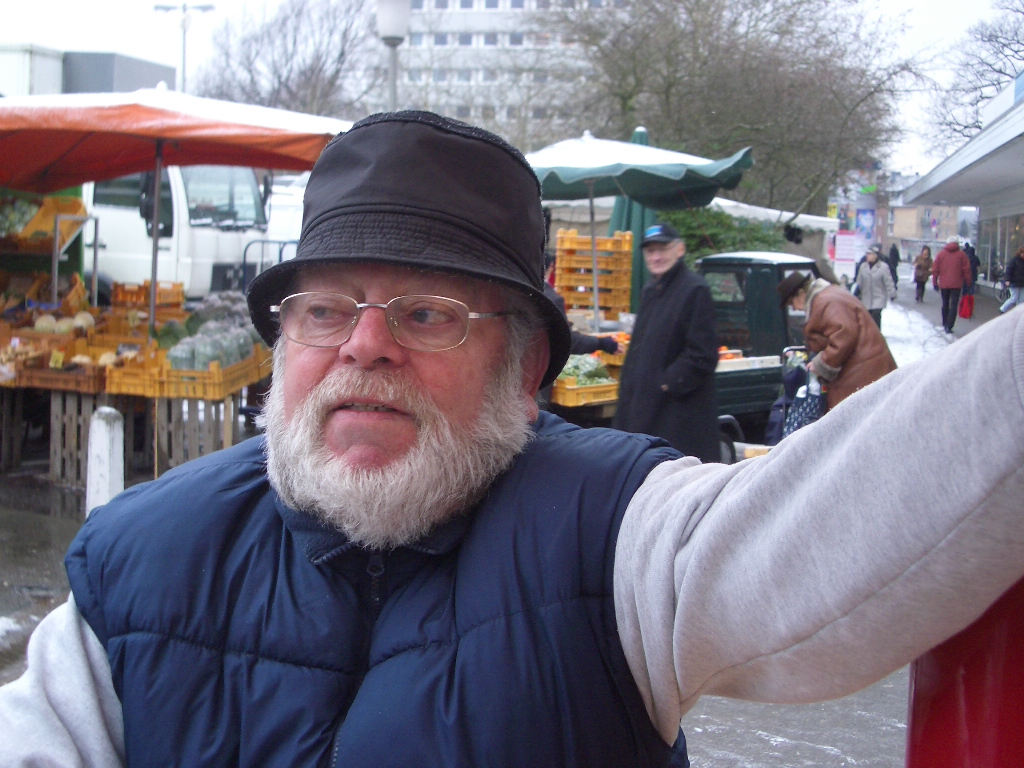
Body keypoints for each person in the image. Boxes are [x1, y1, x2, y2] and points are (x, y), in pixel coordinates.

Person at [2, 112, 1023, 768]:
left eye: (427, 314)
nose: (363, 345)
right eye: (325, 309)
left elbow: (852, 521)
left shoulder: (615, 536)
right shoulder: (137, 561)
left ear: (524, 367)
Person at [612, 223, 720, 463]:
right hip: (643, 409)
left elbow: (702, 354)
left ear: (680, 249)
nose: (656, 257)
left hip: (676, 416)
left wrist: (665, 383)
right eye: (650, 251)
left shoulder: (694, 290)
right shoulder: (651, 290)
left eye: (663, 249)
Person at [777, 271, 897, 410]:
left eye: (791, 303)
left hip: (862, 375)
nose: (794, 308)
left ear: (800, 293)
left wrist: (821, 364)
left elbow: (844, 334)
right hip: (865, 372)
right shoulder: (826, 297)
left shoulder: (826, 301)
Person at [931, 236, 973, 335]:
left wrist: (935, 282)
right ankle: (949, 326)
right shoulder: (962, 255)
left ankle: (945, 322)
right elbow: (966, 270)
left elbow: (935, 270)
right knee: (954, 305)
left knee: (945, 303)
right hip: (956, 284)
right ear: (957, 243)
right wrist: (968, 282)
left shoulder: (941, 254)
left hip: (944, 284)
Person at [854, 245, 896, 329]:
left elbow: (888, 281)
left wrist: (892, 293)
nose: (867, 256)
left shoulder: (883, 267)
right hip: (866, 297)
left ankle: (877, 334)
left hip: (879, 297)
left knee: (876, 316)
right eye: (867, 254)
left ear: (875, 255)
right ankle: (869, 335)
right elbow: (859, 282)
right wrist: (856, 293)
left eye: (869, 254)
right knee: (867, 319)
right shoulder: (863, 266)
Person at [1000, 246, 1024, 314]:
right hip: (1014, 283)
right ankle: (1002, 309)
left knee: (1021, 299)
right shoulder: (1014, 261)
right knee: (1014, 298)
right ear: (1020, 253)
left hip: (1022, 283)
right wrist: (1007, 280)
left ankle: (1018, 312)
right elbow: (1008, 271)